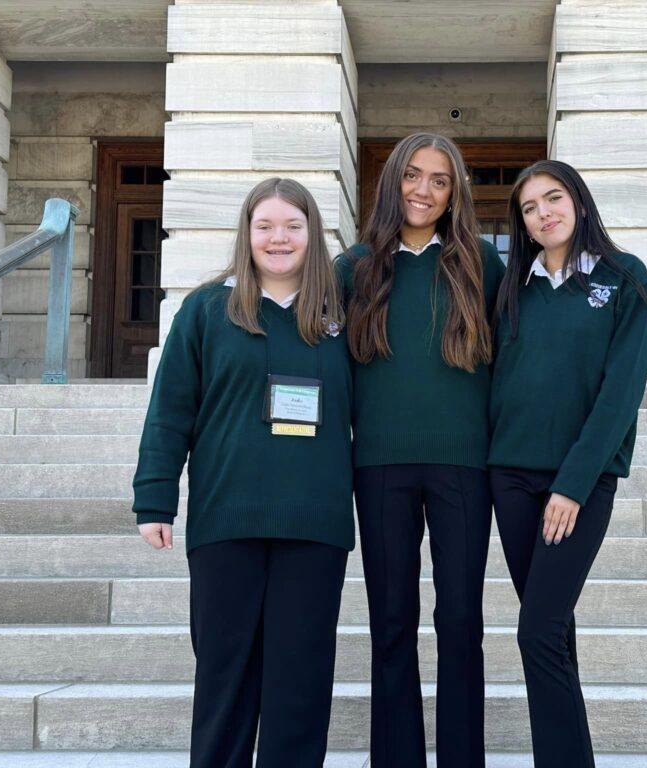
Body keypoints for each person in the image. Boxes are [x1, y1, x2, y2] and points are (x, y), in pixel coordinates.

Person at [132, 178, 353, 768]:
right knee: (225, 681)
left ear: (312, 233)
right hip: (226, 521)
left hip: (315, 525)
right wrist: (155, 498)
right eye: (265, 226)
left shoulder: (343, 313)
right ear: (246, 233)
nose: (278, 238)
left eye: (292, 226)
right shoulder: (206, 309)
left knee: (300, 686)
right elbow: (170, 409)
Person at [336, 132, 505, 768]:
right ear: (391, 183)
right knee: (392, 625)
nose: (424, 190)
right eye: (413, 175)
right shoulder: (354, 267)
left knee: (461, 623)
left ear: (454, 192)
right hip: (378, 466)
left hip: (465, 466)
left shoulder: (482, 264)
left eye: (440, 180)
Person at [488, 160, 647, 768]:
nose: (543, 214)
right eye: (530, 208)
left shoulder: (623, 277)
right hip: (508, 475)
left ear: (578, 202)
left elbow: (621, 391)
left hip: (579, 485)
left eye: (552, 198)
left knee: (536, 632)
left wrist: (574, 485)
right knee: (552, 631)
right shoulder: (512, 287)